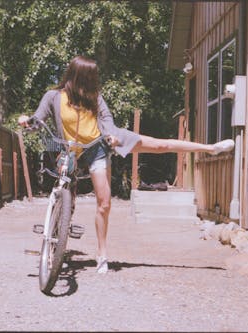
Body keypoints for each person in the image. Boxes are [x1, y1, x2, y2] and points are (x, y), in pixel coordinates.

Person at [19, 56, 234, 274]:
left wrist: (112, 137)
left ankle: (210, 148)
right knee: (66, 194)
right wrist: (27, 121)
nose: (92, 83)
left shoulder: (95, 98)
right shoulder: (54, 96)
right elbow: (38, 118)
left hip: (97, 147)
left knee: (112, 194)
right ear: (76, 76)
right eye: (88, 78)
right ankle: (58, 232)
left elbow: (108, 123)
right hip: (68, 149)